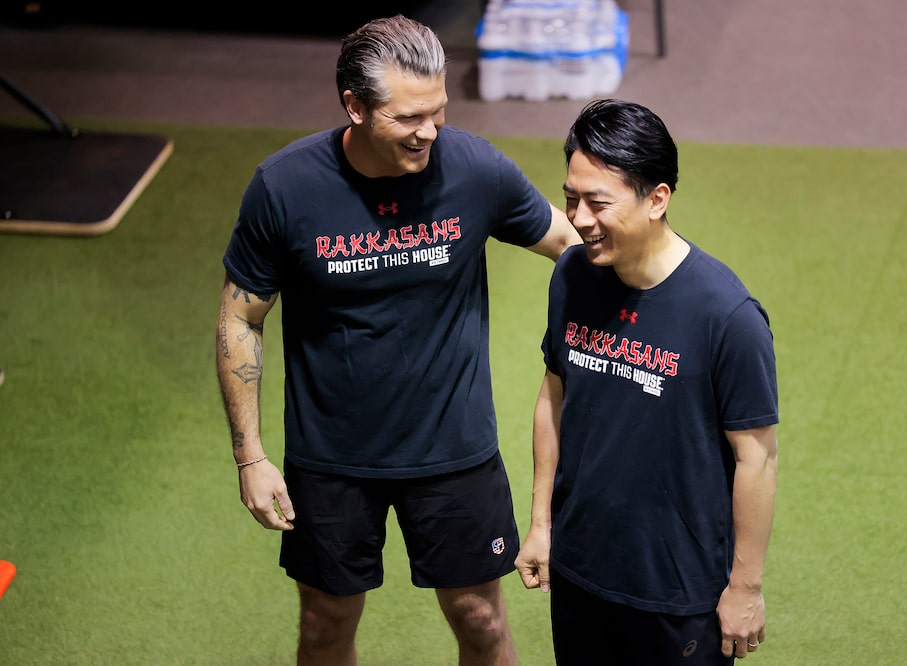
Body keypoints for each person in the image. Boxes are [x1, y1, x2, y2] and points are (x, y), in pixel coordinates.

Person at [215, 14, 578, 666]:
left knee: (481, 620)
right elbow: (240, 318)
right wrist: (250, 457)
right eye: (408, 117)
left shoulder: (473, 169)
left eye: (438, 111)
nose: (429, 131)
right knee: (324, 625)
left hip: (454, 448)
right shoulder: (285, 187)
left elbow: (569, 245)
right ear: (354, 107)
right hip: (331, 456)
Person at [514, 99, 779, 665]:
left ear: (657, 199)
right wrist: (540, 524)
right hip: (580, 571)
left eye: (598, 203)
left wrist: (745, 588)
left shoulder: (727, 316)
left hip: (678, 593)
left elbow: (756, 458)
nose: (579, 218)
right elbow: (553, 397)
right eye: (571, 199)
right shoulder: (573, 275)